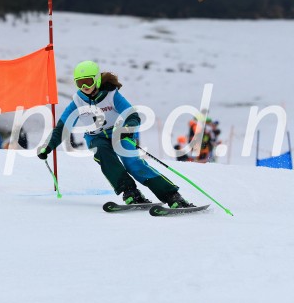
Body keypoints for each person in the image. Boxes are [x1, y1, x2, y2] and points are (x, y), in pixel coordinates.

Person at [37, 61, 195, 208]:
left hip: (119, 134)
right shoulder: (77, 101)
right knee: (103, 153)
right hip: (96, 137)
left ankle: (172, 196)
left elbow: (133, 116)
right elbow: (62, 127)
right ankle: (130, 193)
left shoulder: (111, 95)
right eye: (80, 83)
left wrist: (126, 130)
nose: (84, 86)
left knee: (134, 164)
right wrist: (48, 146)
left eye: (88, 81)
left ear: (97, 80)